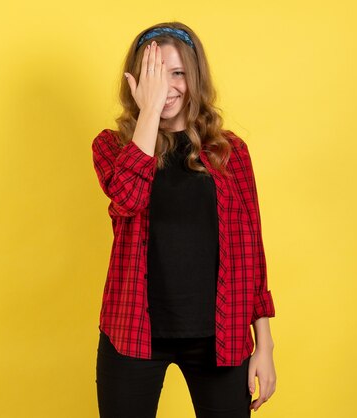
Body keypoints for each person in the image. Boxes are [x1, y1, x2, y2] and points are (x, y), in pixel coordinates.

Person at [91, 22, 276, 418]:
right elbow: (126, 197)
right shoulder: (111, 146)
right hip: (132, 333)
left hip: (220, 337)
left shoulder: (231, 152)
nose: (167, 86)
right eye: (153, 74)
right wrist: (150, 111)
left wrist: (265, 346)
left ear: (195, 77)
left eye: (177, 74)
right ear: (136, 81)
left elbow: (251, 252)